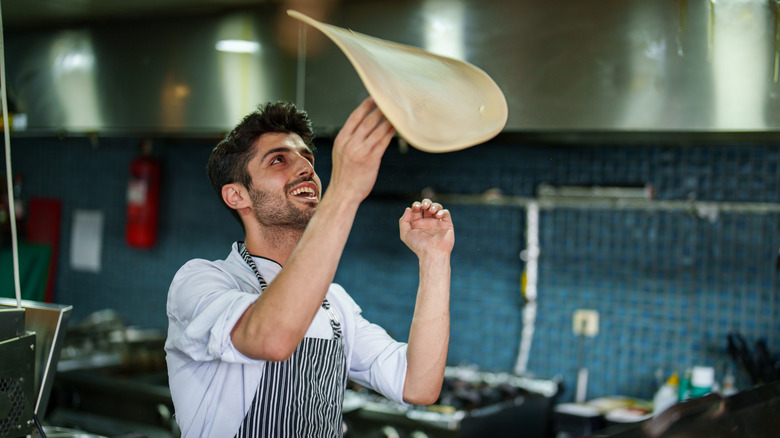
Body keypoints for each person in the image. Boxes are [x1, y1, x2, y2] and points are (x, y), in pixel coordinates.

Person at [164, 97, 454, 438]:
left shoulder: (334, 304)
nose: (305, 168)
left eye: (307, 158)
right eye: (278, 160)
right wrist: (345, 190)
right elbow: (270, 338)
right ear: (236, 196)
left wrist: (435, 259)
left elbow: (417, 385)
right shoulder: (202, 282)